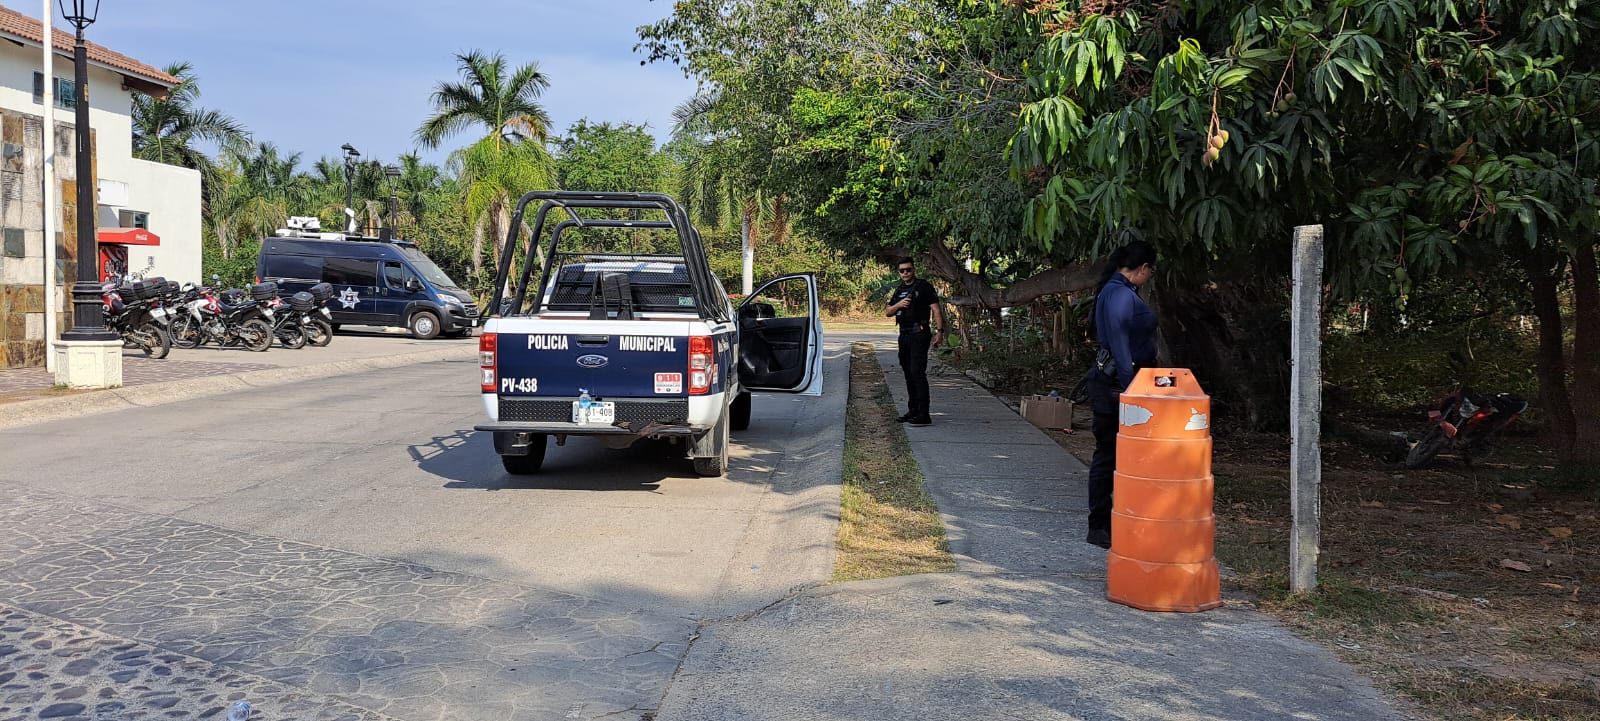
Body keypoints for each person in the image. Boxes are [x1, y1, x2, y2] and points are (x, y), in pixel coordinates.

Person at [1086, 241, 1158, 549]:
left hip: (1121, 382)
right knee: (1109, 455)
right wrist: (1134, 392)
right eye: (1150, 272)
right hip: (1117, 385)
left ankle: (1121, 519)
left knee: (1124, 457)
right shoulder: (1118, 295)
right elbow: (1120, 346)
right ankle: (1099, 525)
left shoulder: (1117, 291)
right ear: (1142, 269)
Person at [886, 257, 947, 426]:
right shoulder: (899, 290)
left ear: (914, 270)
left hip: (919, 333)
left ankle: (923, 414)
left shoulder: (923, 287)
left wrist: (939, 332)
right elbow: (888, 312)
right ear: (899, 273)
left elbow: (936, 310)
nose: (905, 273)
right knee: (908, 373)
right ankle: (913, 410)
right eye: (902, 271)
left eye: (908, 270)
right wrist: (899, 305)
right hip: (904, 335)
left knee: (917, 372)